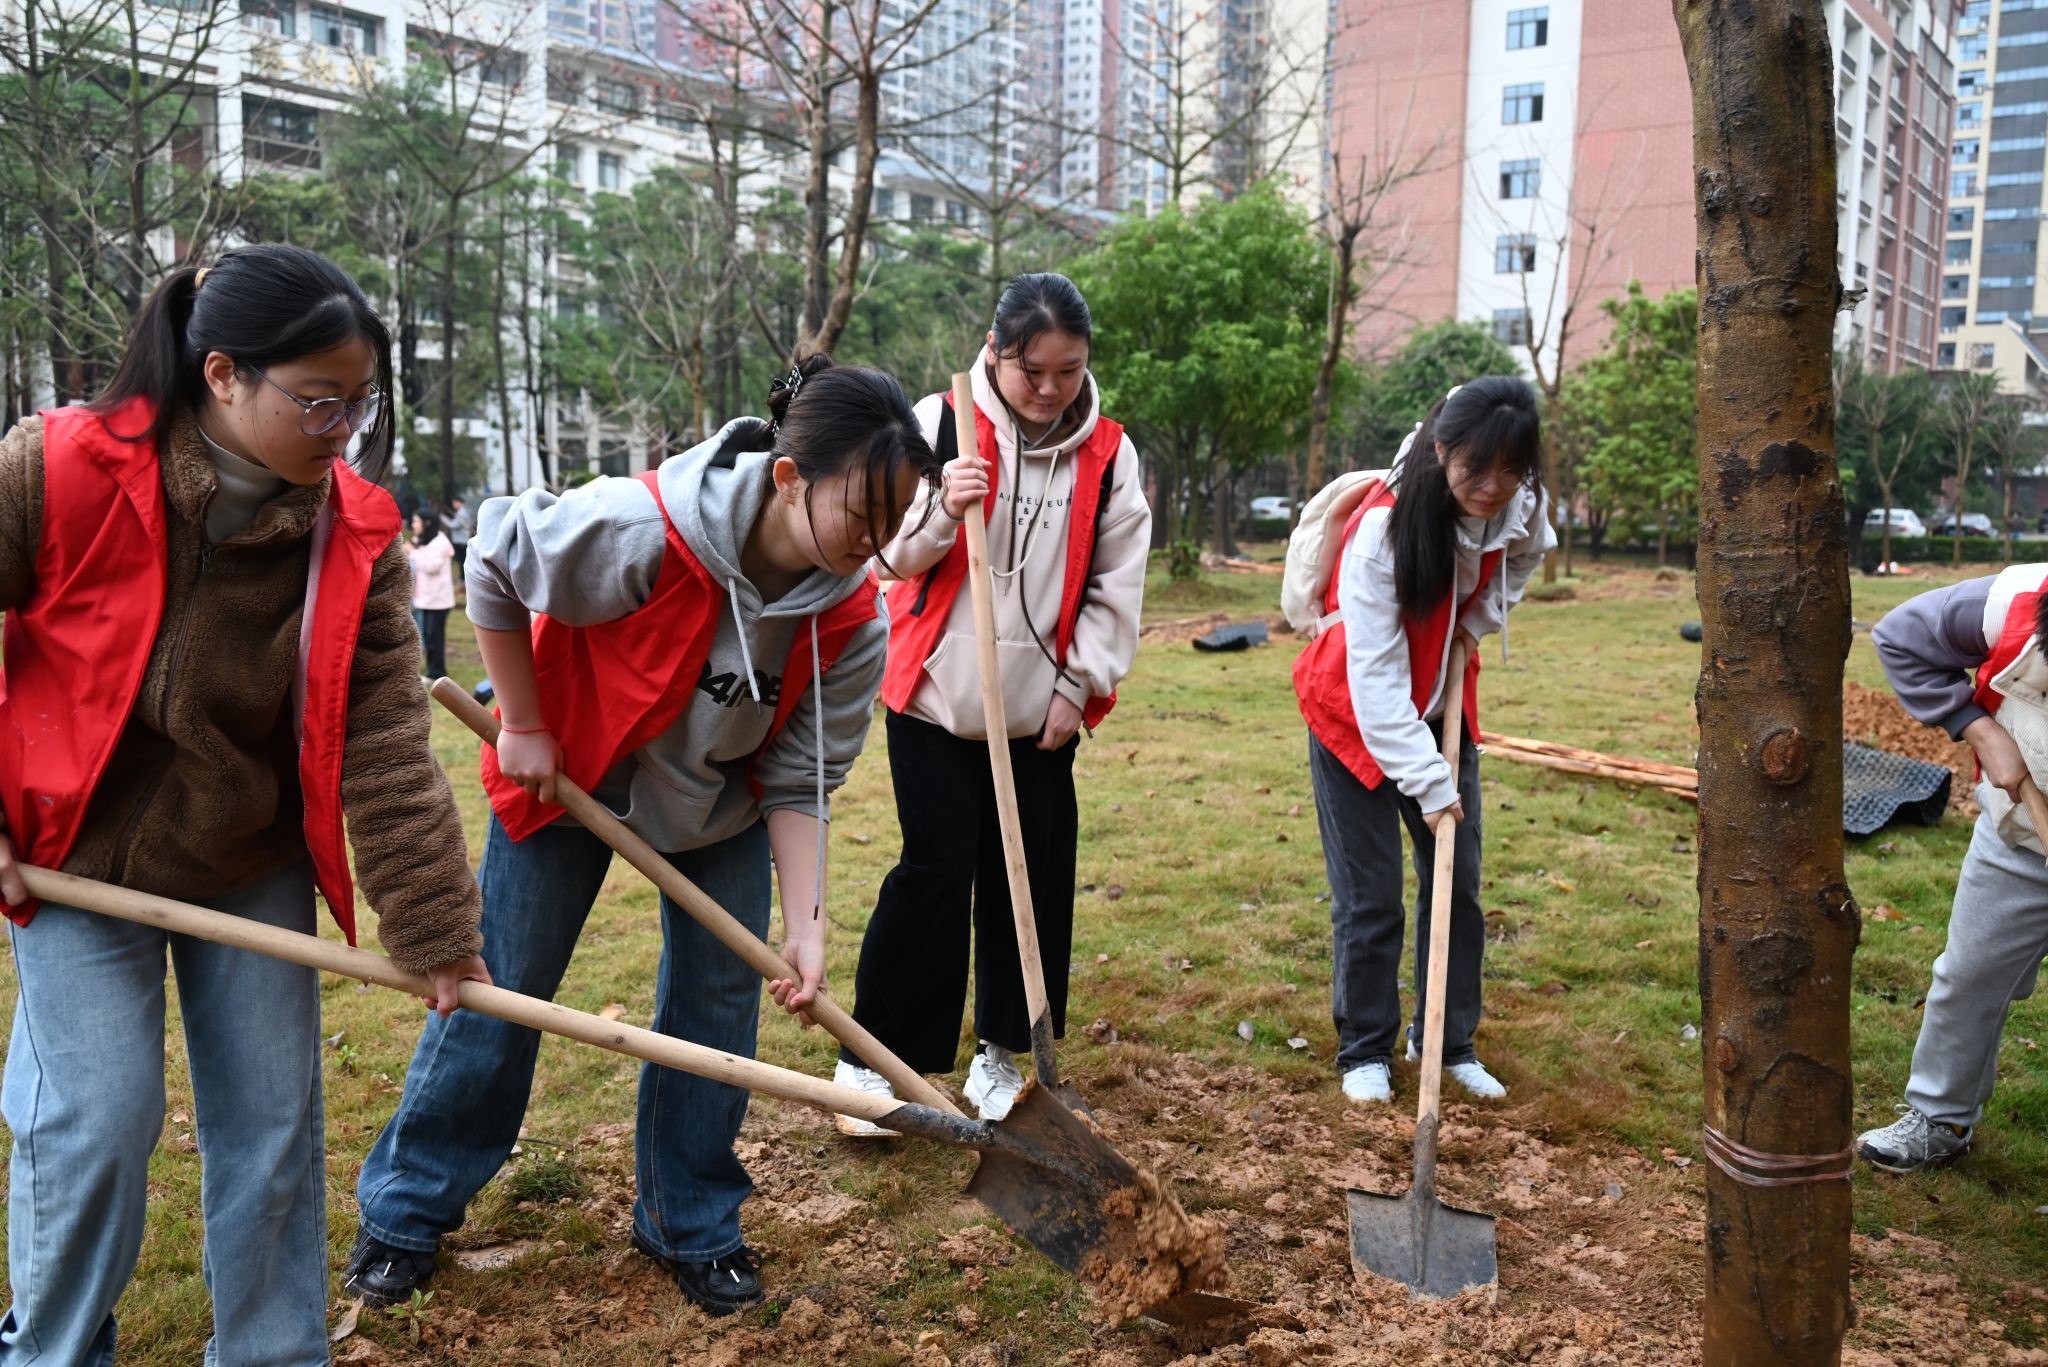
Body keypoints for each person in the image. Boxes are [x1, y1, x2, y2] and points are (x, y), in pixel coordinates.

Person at [346, 355, 941, 1316]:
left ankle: (690, 1219)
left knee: (717, 1014)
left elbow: (801, 775)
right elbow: (495, 555)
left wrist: (809, 920)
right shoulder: (643, 529)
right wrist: (527, 720)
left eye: (891, 525)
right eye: (859, 515)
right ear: (789, 477)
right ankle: (406, 1211)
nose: (871, 545)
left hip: (718, 810)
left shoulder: (847, 615)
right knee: (499, 990)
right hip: (574, 775)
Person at [0, 244, 490, 1364]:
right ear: (222, 374)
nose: (341, 430)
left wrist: (432, 925)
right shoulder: (62, 467)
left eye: (359, 406)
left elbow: (382, 736)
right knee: (95, 1125)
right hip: (75, 856)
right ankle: (52, 1348)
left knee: (272, 1129)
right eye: (319, 401)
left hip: (245, 853)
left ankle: (273, 1351)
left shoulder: (349, 533)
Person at [832, 272, 1151, 1132]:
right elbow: (882, 559)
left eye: (1068, 371)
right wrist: (941, 506)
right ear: (994, 352)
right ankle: (876, 1059)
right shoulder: (939, 426)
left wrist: (1077, 689)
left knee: (1032, 884)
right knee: (933, 874)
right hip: (936, 698)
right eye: (1031, 372)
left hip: (1040, 711)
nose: (1050, 391)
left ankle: (1004, 1056)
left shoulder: (1110, 457)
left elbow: (1118, 585)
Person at [1294, 377, 1552, 1108]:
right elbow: (1375, 687)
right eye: (1476, 469)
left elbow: (1530, 555)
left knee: (1458, 884)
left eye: (1511, 470)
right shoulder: (1382, 527)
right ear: (1442, 451)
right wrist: (1434, 785)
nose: (1493, 485)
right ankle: (1364, 1047)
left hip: (1441, 704)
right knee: (1371, 897)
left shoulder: (1519, 505)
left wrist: (1478, 624)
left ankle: (1446, 1038)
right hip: (1353, 711)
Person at [1858, 564, 2048, 1171]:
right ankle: (1941, 1118)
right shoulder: (2016, 603)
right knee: (1969, 975)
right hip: (2018, 840)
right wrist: (1978, 727)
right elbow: (1902, 635)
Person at [410, 507, 457, 680]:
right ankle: (433, 670)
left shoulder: (440, 543)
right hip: (427, 598)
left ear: (427, 523)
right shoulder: (426, 540)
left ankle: (437, 672)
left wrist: (413, 553)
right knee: (429, 636)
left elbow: (431, 566)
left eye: (416, 521)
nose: (414, 525)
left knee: (435, 638)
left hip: (438, 600)